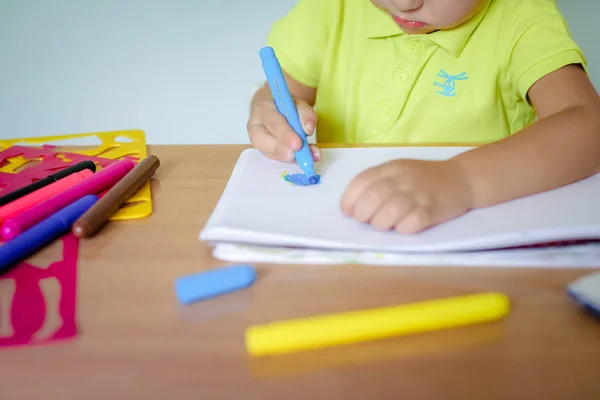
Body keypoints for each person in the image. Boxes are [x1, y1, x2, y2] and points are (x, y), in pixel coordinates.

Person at [247, 0, 600, 234]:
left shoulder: (520, 13)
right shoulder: (333, 8)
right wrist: (269, 111)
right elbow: (282, 94)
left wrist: (461, 180)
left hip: (469, 240)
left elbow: (590, 126)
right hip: (347, 239)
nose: (403, 2)